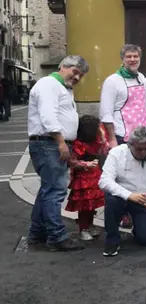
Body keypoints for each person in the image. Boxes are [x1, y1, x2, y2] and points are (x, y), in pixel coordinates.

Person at [27, 55, 90, 251]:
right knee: (55, 191)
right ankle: (57, 236)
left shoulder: (61, 87)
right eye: (75, 72)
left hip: (51, 144)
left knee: (48, 190)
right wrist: (61, 142)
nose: (77, 77)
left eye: (81, 75)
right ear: (63, 67)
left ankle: (37, 233)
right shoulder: (49, 84)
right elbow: (48, 115)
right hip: (50, 144)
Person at [99, 126, 146, 257]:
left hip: (144, 198)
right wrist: (129, 195)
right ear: (130, 145)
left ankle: (138, 227)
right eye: (139, 149)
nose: (143, 152)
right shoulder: (117, 152)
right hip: (121, 196)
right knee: (111, 199)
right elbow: (104, 181)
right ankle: (112, 239)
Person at [65, 115, 108, 242]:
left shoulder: (96, 141)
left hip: (94, 176)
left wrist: (103, 137)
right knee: (84, 204)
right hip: (83, 178)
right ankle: (83, 228)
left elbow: (104, 149)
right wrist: (86, 164)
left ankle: (90, 225)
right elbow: (72, 161)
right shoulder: (79, 144)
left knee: (92, 203)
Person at [100, 44, 146, 146]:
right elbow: (106, 113)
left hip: (142, 135)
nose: (132, 59)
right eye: (128, 57)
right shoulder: (112, 81)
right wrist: (112, 139)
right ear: (123, 59)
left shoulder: (141, 77)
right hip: (122, 135)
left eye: (135, 56)